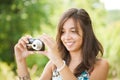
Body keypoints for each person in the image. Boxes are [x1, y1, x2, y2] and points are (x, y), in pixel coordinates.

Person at [14, 8, 109, 80]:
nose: (66, 37)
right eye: (63, 32)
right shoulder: (53, 64)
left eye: (73, 31)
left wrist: (58, 60)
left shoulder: (100, 65)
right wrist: (21, 60)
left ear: (86, 33)